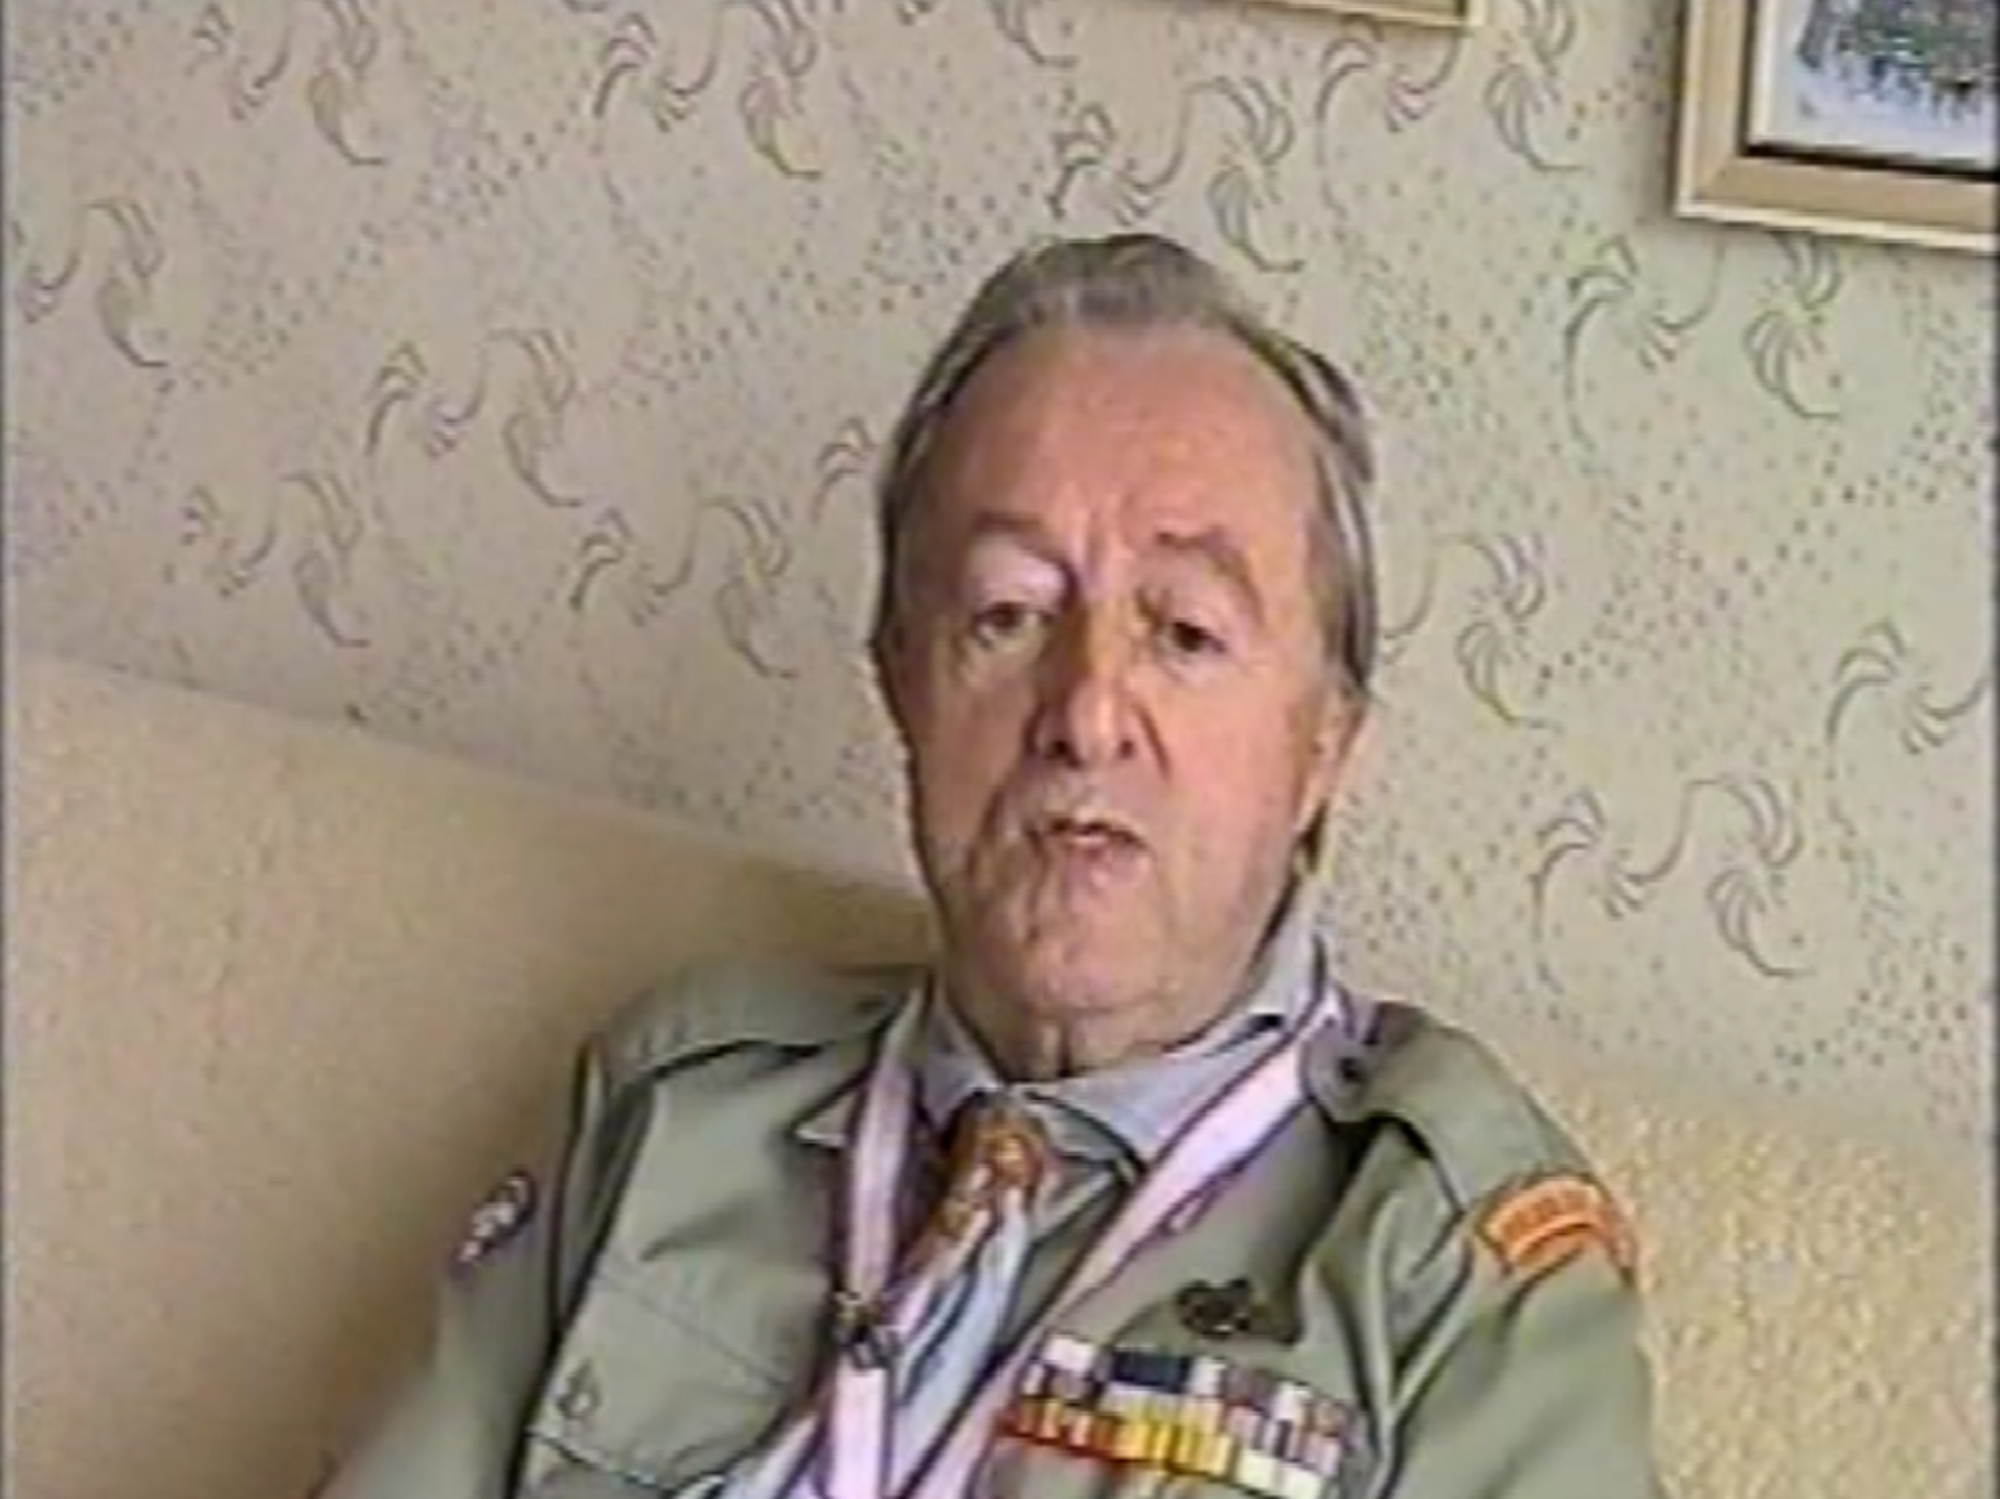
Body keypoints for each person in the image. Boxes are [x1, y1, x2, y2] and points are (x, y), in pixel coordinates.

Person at [325, 235, 1667, 1499]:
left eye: (1185, 632)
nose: (1085, 713)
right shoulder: (675, 1104)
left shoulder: (1458, 1270)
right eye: (1009, 613)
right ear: (901, 681)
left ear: (1325, 741)